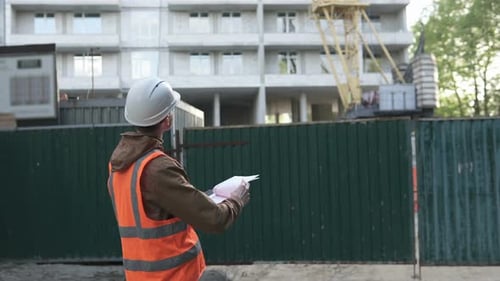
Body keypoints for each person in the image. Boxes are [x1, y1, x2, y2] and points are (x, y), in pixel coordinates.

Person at [107, 77, 250, 281]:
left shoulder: (118, 166)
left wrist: (202, 197)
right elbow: (215, 220)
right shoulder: (157, 167)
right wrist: (236, 200)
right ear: (167, 120)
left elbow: (155, 211)